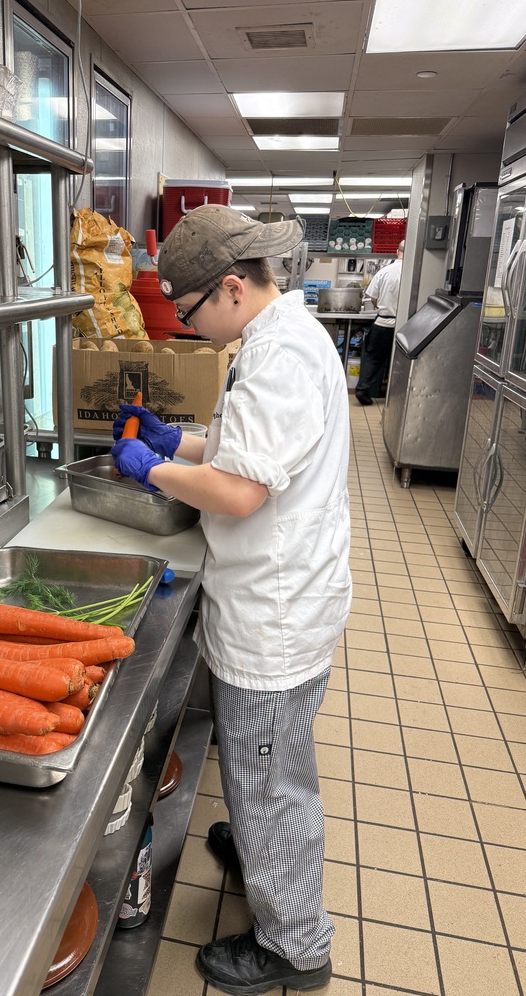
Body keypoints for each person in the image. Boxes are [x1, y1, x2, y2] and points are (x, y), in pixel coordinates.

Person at [111, 205, 352, 995]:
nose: (186, 328)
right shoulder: (284, 336)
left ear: (229, 287)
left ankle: (295, 948)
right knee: (268, 766)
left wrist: (149, 470)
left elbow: (241, 490)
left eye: (187, 313)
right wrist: (176, 440)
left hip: (275, 617)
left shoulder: (280, 354)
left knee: (272, 782)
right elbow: (249, 450)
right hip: (293, 599)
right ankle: (258, 847)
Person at [354, 240, 405, 406]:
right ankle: (397, 396)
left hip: (383, 323)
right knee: (401, 362)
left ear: (397, 251)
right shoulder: (416, 272)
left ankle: (362, 389)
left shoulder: (385, 271)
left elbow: (373, 299)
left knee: (374, 359)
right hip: (406, 326)